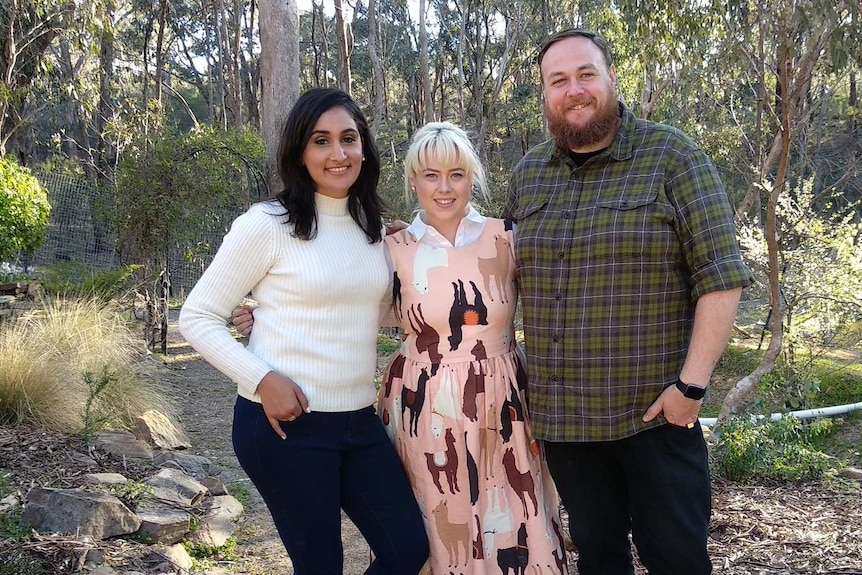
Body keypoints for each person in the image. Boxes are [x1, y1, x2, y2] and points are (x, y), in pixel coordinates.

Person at [236, 122, 569, 575]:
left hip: (503, 403)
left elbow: (554, 303)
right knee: (432, 528)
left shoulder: (505, 237)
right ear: (413, 180)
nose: (445, 187)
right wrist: (267, 316)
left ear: (473, 177)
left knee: (511, 520)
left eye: (456, 174)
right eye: (431, 175)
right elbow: (343, 308)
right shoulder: (390, 246)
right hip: (423, 406)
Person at [503, 29, 752, 575]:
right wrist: (410, 241)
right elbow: (485, 264)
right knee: (598, 560)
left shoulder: (673, 157)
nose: (574, 90)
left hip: (655, 418)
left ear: (612, 78)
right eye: (558, 80)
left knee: (677, 560)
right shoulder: (527, 178)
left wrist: (691, 388)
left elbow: (721, 277)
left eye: (586, 74)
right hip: (567, 427)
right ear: (544, 93)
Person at [179, 87, 429, 575]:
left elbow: (364, 314)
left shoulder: (373, 227)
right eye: (321, 140)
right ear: (300, 150)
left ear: (364, 148)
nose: (338, 154)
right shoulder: (267, 224)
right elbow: (197, 315)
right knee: (320, 566)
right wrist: (260, 378)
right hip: (284, 426)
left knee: (407, 549)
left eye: (349, 139)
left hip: (358, 421)